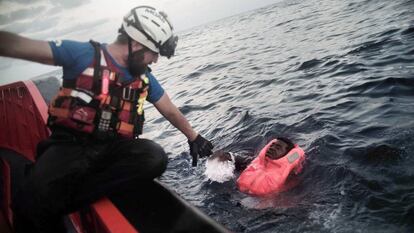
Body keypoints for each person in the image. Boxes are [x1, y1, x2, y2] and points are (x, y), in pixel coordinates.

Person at [0, 6, 213, 233]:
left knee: (154, 157)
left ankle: (57, 200)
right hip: (70, 146)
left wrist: (194, 137)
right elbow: (20, 46)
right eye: (154, 53)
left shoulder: (145, 78)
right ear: (138, 45)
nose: (156, 60)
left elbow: (169, 110)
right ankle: (47, 200)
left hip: (113, 147)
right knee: (27, 201)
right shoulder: (80, 54)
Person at [205, 137, 305, 196]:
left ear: (286, 154)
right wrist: (225, 156)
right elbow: (238, 161)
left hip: (263, 206)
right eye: (272, 145)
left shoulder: (288, 173)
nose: (272, 148)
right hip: (235, 193)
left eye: (278, 147)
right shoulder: (255, 162)